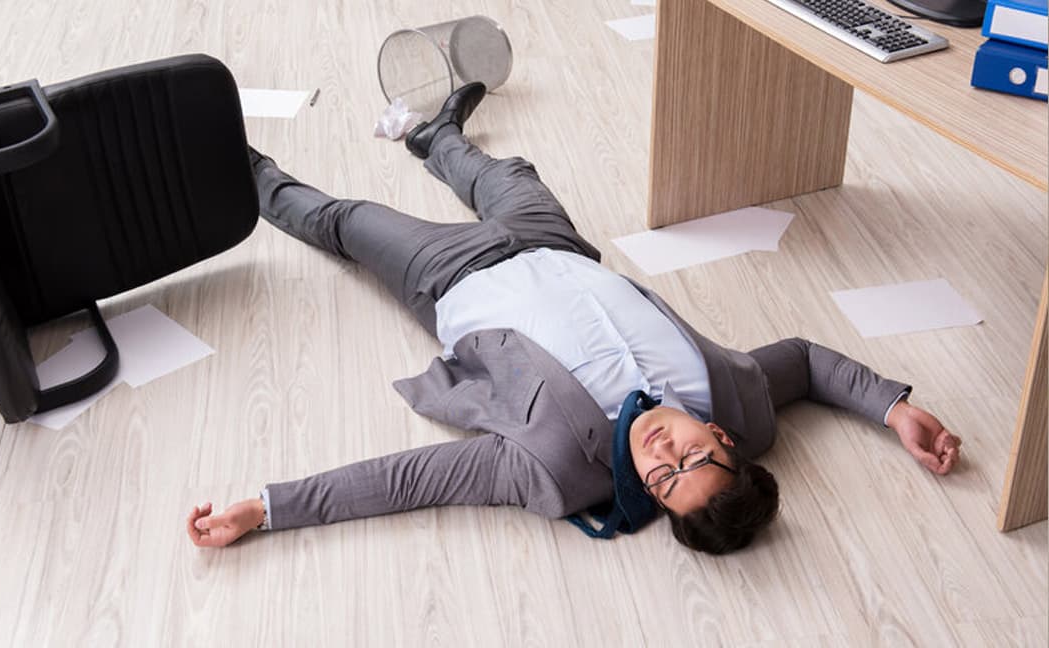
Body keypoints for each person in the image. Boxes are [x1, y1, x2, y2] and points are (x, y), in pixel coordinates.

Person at [186, 83, 961, 554]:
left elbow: (410, 481)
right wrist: (895, 409)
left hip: (451, 278)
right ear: (724, 439)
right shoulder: (742, 399)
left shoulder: (557, 470)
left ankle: (229, 155)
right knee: (505, 173)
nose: (663, 454)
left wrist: (266, 509)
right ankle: (435, 136)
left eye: (664, 482)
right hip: (555, 245)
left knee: (342, 221)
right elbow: (809, 360)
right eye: (693, 456)